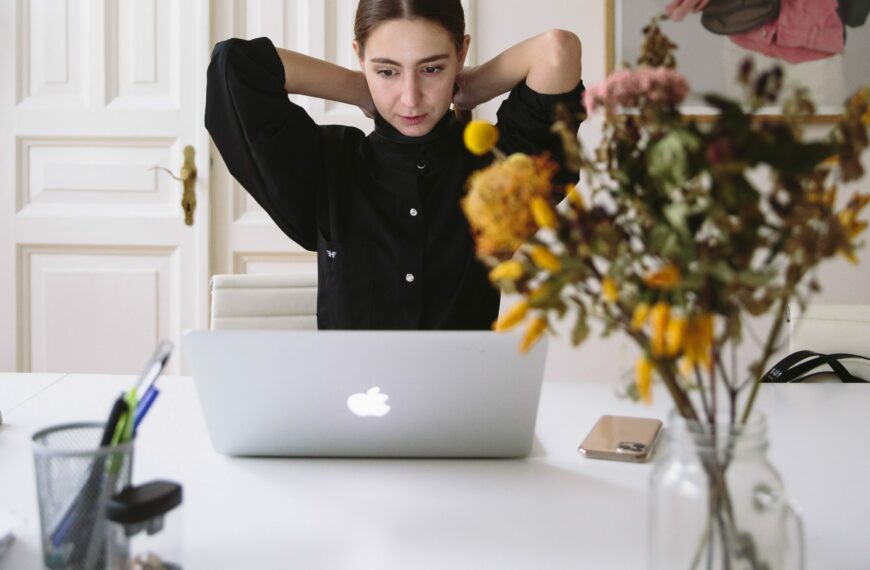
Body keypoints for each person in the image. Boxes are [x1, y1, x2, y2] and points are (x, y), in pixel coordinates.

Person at [205, 0, 584, 330]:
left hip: (465, 411)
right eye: (388, 71)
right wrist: (358, 87)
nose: (410, 98)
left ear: (461, 53)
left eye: (431, 69)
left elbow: (557, 49)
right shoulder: (328, 166)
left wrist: (471, 86)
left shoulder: (496, 177)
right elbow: (233, 66)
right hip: (344, 411)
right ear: (360, 56)